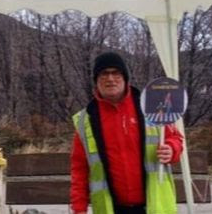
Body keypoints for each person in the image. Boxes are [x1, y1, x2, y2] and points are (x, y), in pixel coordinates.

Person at [71, 52, 182, 214]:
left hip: (154, 206)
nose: (110, 79)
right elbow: (79, 169)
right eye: (104, 74)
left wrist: (172, 149)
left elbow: (176, 138)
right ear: (96, 80)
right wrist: (78, 209)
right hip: (110, 209)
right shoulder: (84, 120)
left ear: (125, 78)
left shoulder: (151, 106)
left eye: (115, 73)